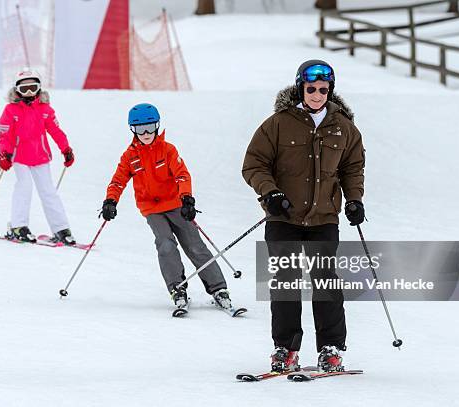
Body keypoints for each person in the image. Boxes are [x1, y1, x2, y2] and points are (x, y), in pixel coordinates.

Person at [242, 60, 366, 372]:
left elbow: (353, 168)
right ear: (301, 88)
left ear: (330, 91)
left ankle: (331, 349)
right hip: (283, 218)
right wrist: (270, 193)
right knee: (285, 283)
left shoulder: (344, 128)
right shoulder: (278, 123)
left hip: (324, 219)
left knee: (325, 283)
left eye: (324, 89)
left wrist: (354, 200)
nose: (317, 94)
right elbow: (254, 163)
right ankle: (285, 348)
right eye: (311, 88)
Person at [101, 103, 233, 311]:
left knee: (195, 245)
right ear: (132, 130)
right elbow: (118, 181)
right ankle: (177, 289)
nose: (145, 133)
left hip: (175, 204)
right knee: (165, 244)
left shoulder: (168, 149)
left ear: (157, 126)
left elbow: (182, 175)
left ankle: (218, 288)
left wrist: (187, 198)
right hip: (151, 208)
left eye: (149, 127)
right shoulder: (130, 156)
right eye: (139, 129)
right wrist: (110, 201)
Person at [0, 69, 76, 245]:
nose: (29, 92)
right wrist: (5, 153)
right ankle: (19, 226)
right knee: (24, 188)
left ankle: (62, 229)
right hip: (19, 157)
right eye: (24, 89)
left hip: (40, 156)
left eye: (33, 87)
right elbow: (5, 135)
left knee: (48, 191)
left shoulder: (45, 109)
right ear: (16, 90)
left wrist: (66, 149)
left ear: (39, 88)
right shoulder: (11, 110)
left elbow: (55, 131)